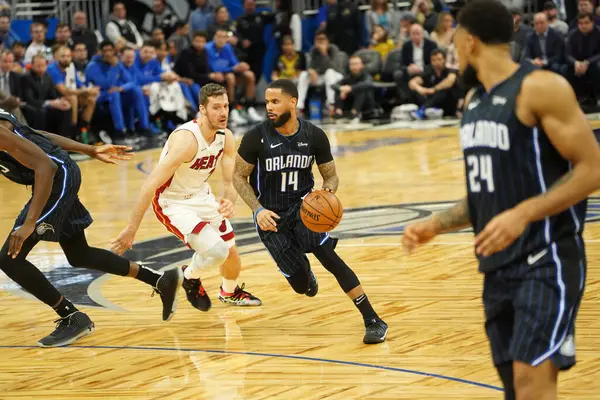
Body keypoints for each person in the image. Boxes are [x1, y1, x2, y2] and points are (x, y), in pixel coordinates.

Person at [402, 0, 600, 398]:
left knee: (533, 388)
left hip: (547, 258)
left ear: (469, 41)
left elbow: (592, 169)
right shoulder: (473, 103)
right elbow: (484, 195)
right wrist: (435, 224)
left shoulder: (540, 87)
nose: (454, 45)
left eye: (456, 37)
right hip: (497, 269)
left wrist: (523, 214)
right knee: (515, 389)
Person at [0, 109, 182, 347]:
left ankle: (72, 317)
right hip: (61, 174)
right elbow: (40, 135)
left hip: (56, 179)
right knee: (79, 254)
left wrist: (30, 222)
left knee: (10, 258)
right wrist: (90, 149)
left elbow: (45, 167)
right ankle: (160, 280)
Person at [232, 79, 388, 344]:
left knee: (330, 258)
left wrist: (327, 193)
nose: (269, 107)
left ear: (292, 102)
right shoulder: (256, 136)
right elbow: (238, 176)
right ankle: (304, 274)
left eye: (275, 101)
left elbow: (331, 176)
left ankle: (372, 319)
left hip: (305, 209)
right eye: (267, 102)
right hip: (270, 216)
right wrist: (257, 210)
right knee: (302, 286)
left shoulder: (314, 135)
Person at [111, 84, 262, 310]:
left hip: (201, 195)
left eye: (226, 106)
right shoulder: (187, 140)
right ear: (202, 109)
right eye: (216, 107)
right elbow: (149, 185)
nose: (223, 113)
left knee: (231, 253)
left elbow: (231, 180)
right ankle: (188, 275)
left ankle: (229, 293)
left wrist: (230, 199)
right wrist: (132, 228)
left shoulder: (225, 137)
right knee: (217, 251)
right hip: (172, 201)